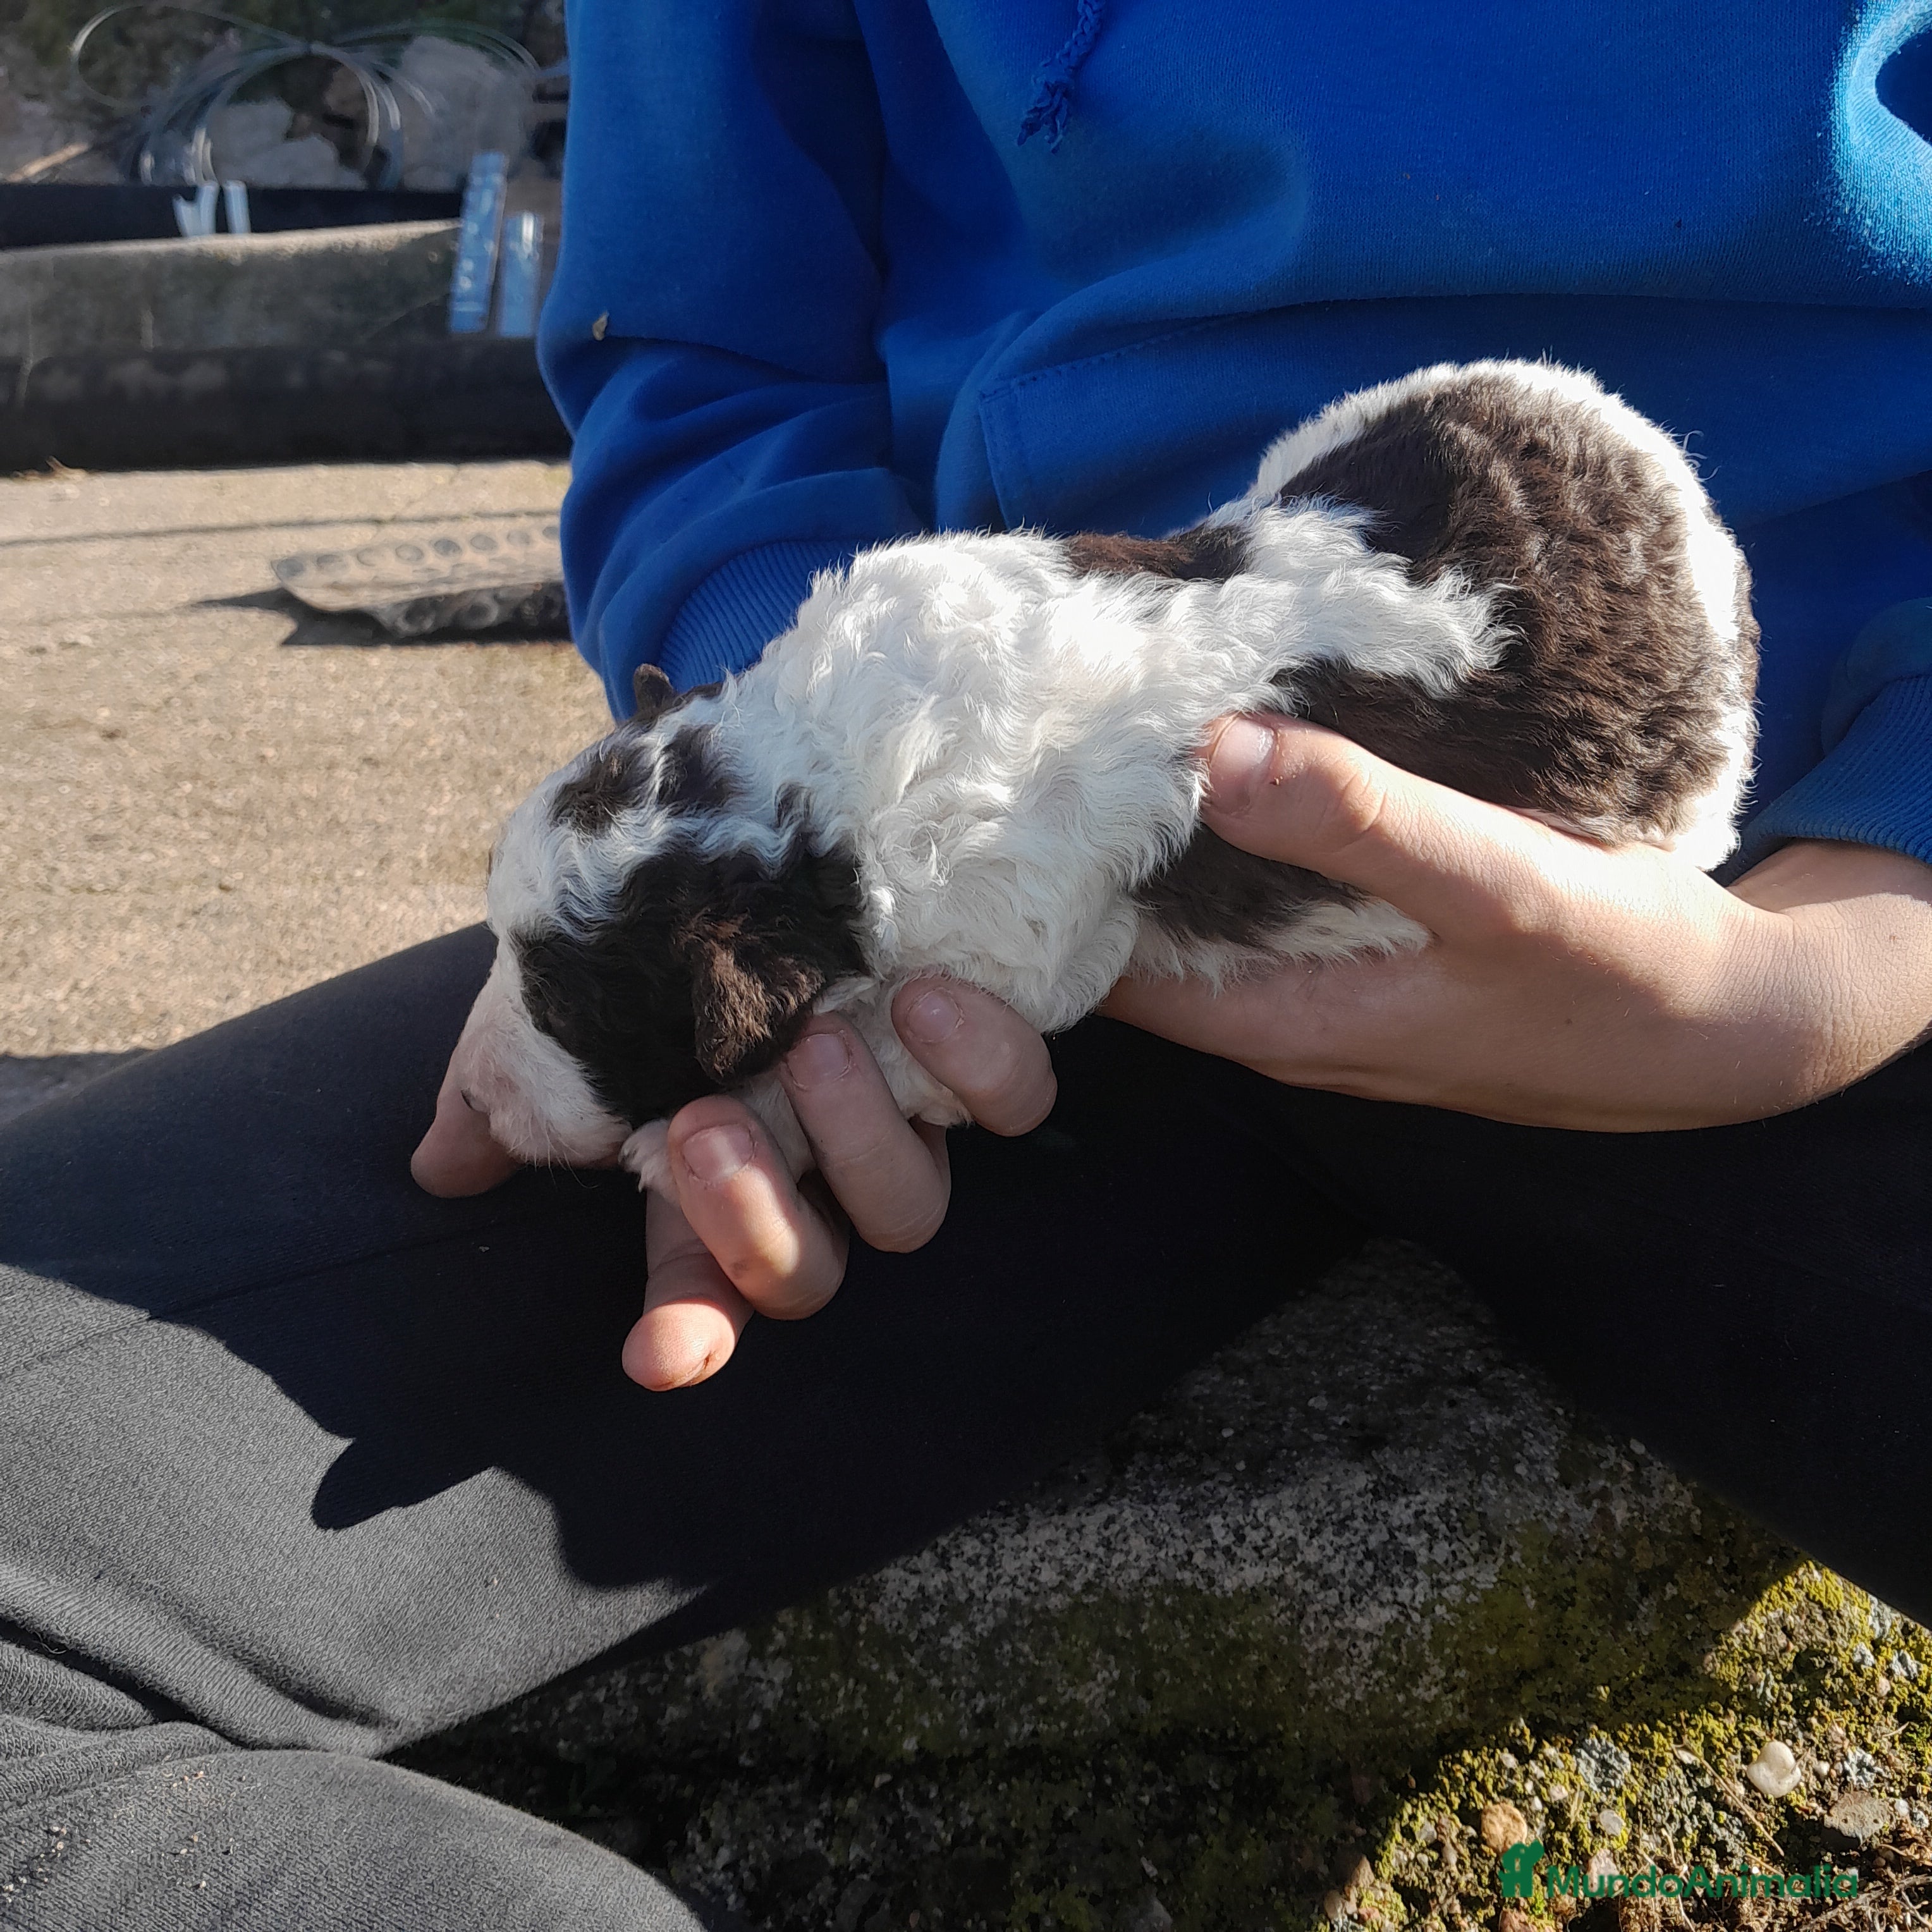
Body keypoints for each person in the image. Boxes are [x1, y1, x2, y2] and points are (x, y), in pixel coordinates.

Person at [4, 4, 1932, 1927]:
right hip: (994, 914)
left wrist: (1870, 923)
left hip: (1816, 871)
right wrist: (817, 796)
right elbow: (705, 343)